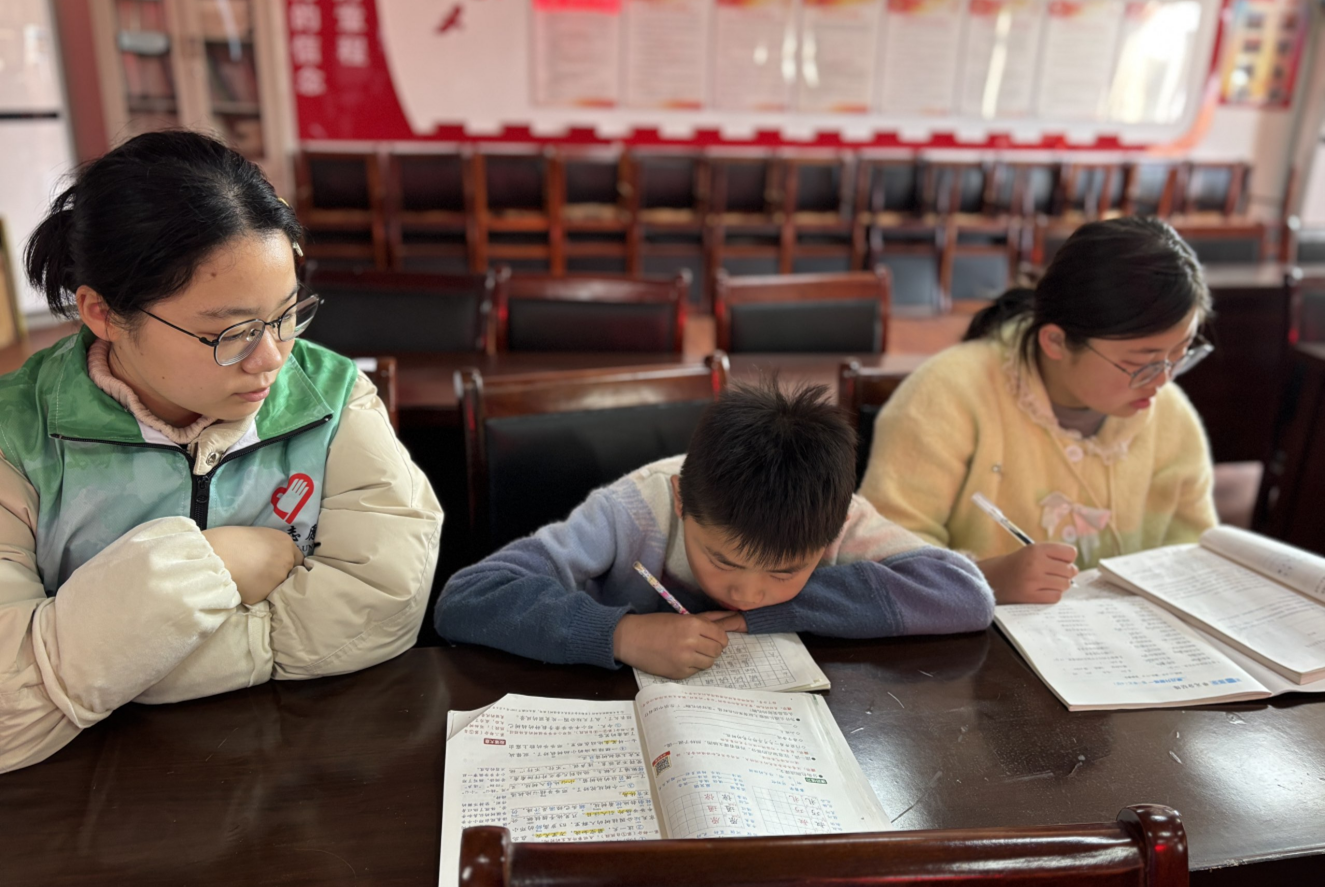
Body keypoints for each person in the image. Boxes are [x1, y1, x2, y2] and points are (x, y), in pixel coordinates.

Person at [0, 131, 443, 773]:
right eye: (229, 332)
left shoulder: (331, 395)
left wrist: (111, 663)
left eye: (287, 315)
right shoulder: (16, 435)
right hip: (92, 788)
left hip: (304, 767)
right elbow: (8, 712)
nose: (271, 359)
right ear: (102, 312)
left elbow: (385, 604)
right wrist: (215, 564)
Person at [434, 381, 994, 679]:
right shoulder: (636, 509)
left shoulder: (832, 511)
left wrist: (773, 614)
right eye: (723, 560)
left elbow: (963, 593)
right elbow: (469, 597)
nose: (746, 592)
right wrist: (619, 634)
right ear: (682, 500)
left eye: (784, 572)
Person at [860, 217, 1217, 604]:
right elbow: (877, 550)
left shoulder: (1170, 416)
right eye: (1140, 363)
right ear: (1056, 341)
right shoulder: (948, 394)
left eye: (1180, 355)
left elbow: (1194, 553)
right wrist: (988, 579)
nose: (1162, 380)